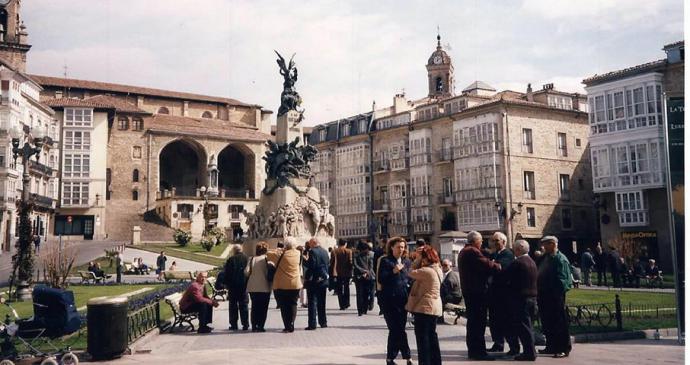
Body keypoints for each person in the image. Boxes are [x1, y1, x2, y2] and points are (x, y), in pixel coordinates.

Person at [457, 231, 501, 361]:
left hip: (470, 291)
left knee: (473, 323)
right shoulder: (472, 251)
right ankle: (479, 352)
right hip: (476, 293)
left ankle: (473, 350)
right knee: (478, 323)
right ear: (475, 241)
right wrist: (497, 265)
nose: (481, 243)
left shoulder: (464, 251)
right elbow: (487, 265)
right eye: (480, 241)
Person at [406, 245, 443, 365]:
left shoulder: (426, 271)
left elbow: (410, 272)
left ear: (426, 258)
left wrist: (417, 258)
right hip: (434, 307)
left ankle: (425, 362)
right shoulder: (438, 269)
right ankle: (435, 362)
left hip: (425, 308)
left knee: (423, 339)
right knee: (432, 337)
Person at [378, 237, 413, 365]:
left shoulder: (407, 262)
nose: (401, 249)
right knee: (395, 329)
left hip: (403, 300)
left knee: (399, 329)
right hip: (389, 301)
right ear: (392, 247)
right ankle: (406, 357)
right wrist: (393, 271)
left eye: (403, 247)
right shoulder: (385, 261)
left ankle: (392, 358)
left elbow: (408, 279)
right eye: (398, 247)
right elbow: (381, 279)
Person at [537, 236, 572, 358]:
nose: (543, 247)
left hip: (555, 296)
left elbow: (563, 280)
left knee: (559, 322)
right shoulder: (547, 258)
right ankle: (551, 346)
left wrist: (556, 293)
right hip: (544, 294)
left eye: (545, 244)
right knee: (548, 322)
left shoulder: (560, 259)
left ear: (552, 244)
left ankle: (563, 347)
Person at [504, 240, 538, 361]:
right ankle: (531, 350)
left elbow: (506, 277)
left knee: (524, 327)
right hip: (532, 298)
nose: (514, 250)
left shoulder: (518, 262)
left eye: (514, 248)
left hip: (521, 298)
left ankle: (529, 353)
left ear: (519, 249)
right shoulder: (532, 261)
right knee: (528, 326)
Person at [486, 232, 518, 355]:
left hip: (504, 294)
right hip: (494, 293)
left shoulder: (508, 254)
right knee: (495, 320)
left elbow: (501, 268)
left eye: (497, 241)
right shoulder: (493, 254)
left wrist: (492, 265)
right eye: (493, 241)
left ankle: (513, 346)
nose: (494, 243)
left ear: (503, 242)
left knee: (507, 321)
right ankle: (498, 343)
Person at [268, 238, 303, 333]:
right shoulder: (298, 253)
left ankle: (287, 325)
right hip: (295, 283)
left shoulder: (279, 254)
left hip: (282, 284)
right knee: (293, 304)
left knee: (284, 306)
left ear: (285, 245)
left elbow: (267, 253)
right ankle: (291, 323)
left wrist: (278, 249)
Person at [302, 238, 330, 330]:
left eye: (309, 244)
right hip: (323, 280)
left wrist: (307, 278)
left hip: (314, 281)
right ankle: (323, 322)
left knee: (312, 302)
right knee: (322, 302)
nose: (309, 246)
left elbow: (312, 266)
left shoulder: (312, 252)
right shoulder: (325, 251)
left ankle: (312, 324)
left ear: (313, 243)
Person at [245, 241, 271, 332]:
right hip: (265, 286)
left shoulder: (251, 259)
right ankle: (261, 325)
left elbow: (246, 272)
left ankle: (254, 325)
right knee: (263, 307)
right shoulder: (267, 259)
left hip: (253, 286)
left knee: (254, 306)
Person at [223, 244, 249, 331]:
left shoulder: (231, 259)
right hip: (244, 286)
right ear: (241, 249)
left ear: (234, 250)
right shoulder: (246, 259)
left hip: (233, 286)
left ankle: (233, 324)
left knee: (233, 306)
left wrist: (227, 285)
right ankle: (245, 324)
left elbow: (227, 274)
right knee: (244, 305)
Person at [353, 241, 375, 316]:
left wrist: (367, 272)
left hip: (367, 277)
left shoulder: (369, 256)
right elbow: (355, 265)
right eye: (366, 249)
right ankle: (360, 310)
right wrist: (363, 272)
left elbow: (371, 266)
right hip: (359, 277)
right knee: (359, 294)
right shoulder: (356, 256)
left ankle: (365, 309)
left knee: (366, 293)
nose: (367, 251)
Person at [331, 239, 353, 310]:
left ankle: (341, 305)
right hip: (347, 273)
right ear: (345, 244)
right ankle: (347, 303)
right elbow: (350, 262)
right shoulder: (349, 251)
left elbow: (332, 262)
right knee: (347, 287)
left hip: (338, 273)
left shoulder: (334, 251)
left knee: (339, 289)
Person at [439, 259, 461, 324]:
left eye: (445, 265)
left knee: (440, 299)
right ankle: (439, 317)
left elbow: (447, 287)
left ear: (450, 266)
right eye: (442, 265)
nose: (443, 267)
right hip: (452, 295)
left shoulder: (451, 275)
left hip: (455, 297)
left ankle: (439, 318)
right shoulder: (448, 274)